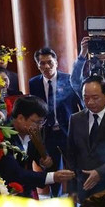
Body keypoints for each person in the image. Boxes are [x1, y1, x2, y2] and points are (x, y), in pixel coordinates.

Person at [64, 75, 105, 202]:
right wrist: (72, 189)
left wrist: (100, 172)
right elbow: (71, 154)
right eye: (85, 98)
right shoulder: (75, 119)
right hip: (84, 186)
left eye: (95, 98)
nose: (90, 102)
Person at [28, 47, 82, 197]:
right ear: (37, 65)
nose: (46, 67)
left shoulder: (69, 79)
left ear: (56, 63)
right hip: (47, 134)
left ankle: (77, 200)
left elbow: (80, 105)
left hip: (68, 131)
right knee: (51, 171)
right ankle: (56, 200)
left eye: (49, 63)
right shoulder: (34, 83)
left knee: (75, 167)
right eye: (42, 63)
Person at [4, 96, 75, 198]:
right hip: (7, 194)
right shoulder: (3, 137)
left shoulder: (32, 132)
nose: (40, 126)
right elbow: (16, 173)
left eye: (42, 122)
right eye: (37, 122)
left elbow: (38, 155)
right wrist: (53, 177)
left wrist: (43, 161)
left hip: (27, 191)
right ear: (20, 118)